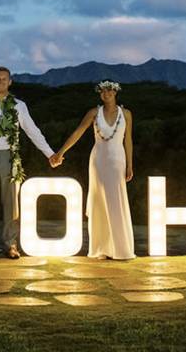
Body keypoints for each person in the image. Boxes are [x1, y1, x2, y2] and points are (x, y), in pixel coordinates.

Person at [0, 66, 56, 259]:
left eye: (4, 79)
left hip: (10, 157)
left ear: (10, 82)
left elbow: (32, 131)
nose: (1, 82)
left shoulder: (18, 106)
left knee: (11, 204)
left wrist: (49, 153)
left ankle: (11, 244)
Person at [50, 80, 135, 260]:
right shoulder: (93, 113)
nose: (107, 94)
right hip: (98, 161)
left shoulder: (126, 114)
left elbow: (128, 139)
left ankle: (121, 248)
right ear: (100, 94)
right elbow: (78, 132)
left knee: (116, 201)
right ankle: (102, 248)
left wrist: (130, 164)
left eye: (110, 91)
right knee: (99, 202)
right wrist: (60, 152)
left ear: (116, 92)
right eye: (103, 91)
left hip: (117, 160)